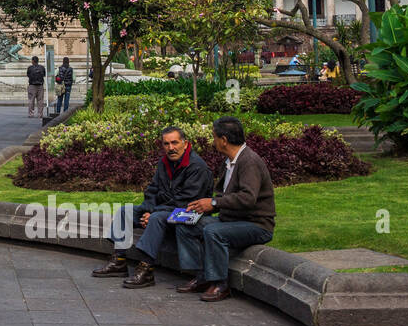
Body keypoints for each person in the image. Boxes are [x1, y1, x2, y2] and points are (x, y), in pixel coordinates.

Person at [93, 126, 212, 287]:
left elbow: (184, 201)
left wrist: (153, 213)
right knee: (125, 211)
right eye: (166, 144)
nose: (171, 148)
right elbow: (152, 190)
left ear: (185, 143)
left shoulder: (197, 167)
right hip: (163, 210)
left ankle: (146, 269)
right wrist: (148, 209)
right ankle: (119, 261)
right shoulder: (164, 163)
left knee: (156, 218)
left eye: (175, 143)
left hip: (189, 213)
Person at [175, 116, 276, 302]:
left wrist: (213, 203)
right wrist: (202, 206)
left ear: (224, 140)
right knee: (185, 224)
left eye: (214, 137)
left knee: (213, 232)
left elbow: (248, 198)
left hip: (256, 224)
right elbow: (225, 195)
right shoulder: (230, 161)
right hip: (232, 218)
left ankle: (220, 284)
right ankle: (202, 275)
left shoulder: (249, 162)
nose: (213, 142)